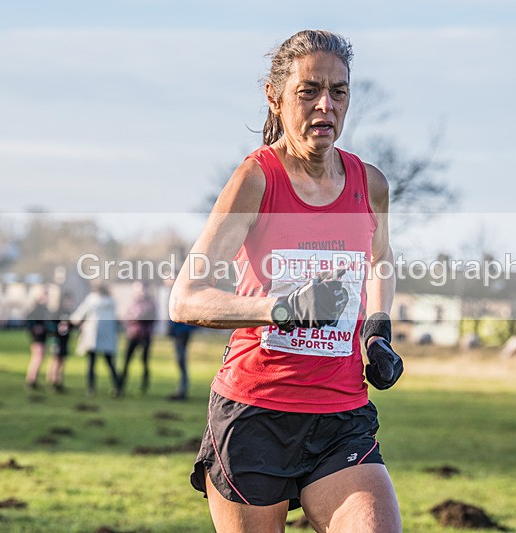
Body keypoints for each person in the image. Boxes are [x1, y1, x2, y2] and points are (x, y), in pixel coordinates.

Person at [169, 30, 403, 532]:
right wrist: (283, 308)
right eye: (309, 91)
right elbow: (185, 299)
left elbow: (381, 260)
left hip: (342, 415)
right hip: (255, 413)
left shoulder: (370, 184)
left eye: (339, 92)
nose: (326, 105)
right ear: (275, 97)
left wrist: (377, 333)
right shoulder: (257, 179)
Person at [70, 284, 121, 398]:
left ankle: (91, 388)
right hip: (108, 335)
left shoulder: (92, 299)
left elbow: (79, 315)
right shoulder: (111, 301)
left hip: (93, 334)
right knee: (110, 363)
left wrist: (72, 321)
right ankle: (117, 387)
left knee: (91, 363)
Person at [118, 281, 157, 395]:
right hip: (132, 336)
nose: (139, 292)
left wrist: (135, 319)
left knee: (144, 362)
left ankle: (143, 386)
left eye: (140, 289)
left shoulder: (150, 304)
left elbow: (147, 318)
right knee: (126, 362)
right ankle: (120, 387)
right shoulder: (134, 303)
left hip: (144, 336)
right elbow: (128, 318)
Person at [24, 286, 52, 390]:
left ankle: (33, 379)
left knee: (39, 358)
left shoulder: (44, 308)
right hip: (37, 338)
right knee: (37, 357)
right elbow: (29, 320)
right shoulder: (37, 308)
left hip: (43, 337)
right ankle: (31, 380)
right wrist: (35, 328)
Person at [47, 291, 74, 392]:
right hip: (56, 340)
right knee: (55, 360)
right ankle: (52, 381)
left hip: (65, 340)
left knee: (62, 361)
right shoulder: (57, 312)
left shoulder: (68, 312)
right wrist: (56, 331)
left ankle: (59, 381)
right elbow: (50, 325)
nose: (69, 302)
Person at [166, 320, 197, 401]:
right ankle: (181, 390)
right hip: (181, 331)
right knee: (181, 362)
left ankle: (181, 391)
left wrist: (172, 328)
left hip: (181, 332)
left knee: (181, 362)